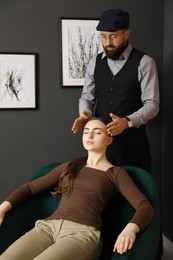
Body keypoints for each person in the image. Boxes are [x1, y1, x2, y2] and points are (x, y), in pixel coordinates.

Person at [0, 118, 154, 260]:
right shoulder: (71, 166)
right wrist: (2, 208)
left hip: (81, 234)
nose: (90, 135)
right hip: (47, 227)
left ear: (109, 139)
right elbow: (30, 188)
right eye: (86, 131)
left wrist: (130, 229)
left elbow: (145, 206)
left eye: (97, 132)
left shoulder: (115, 173)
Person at [71, 8, 160, 173]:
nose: (108, 42)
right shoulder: (94, 62)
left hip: (134, 148)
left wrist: (127, 121)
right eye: (103, 36)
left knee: (138, 195)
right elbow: (86, 97)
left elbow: (153, 104)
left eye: (113, 36)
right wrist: (85, 115)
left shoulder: (145, 62)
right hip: (101, 149)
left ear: (126, 34)